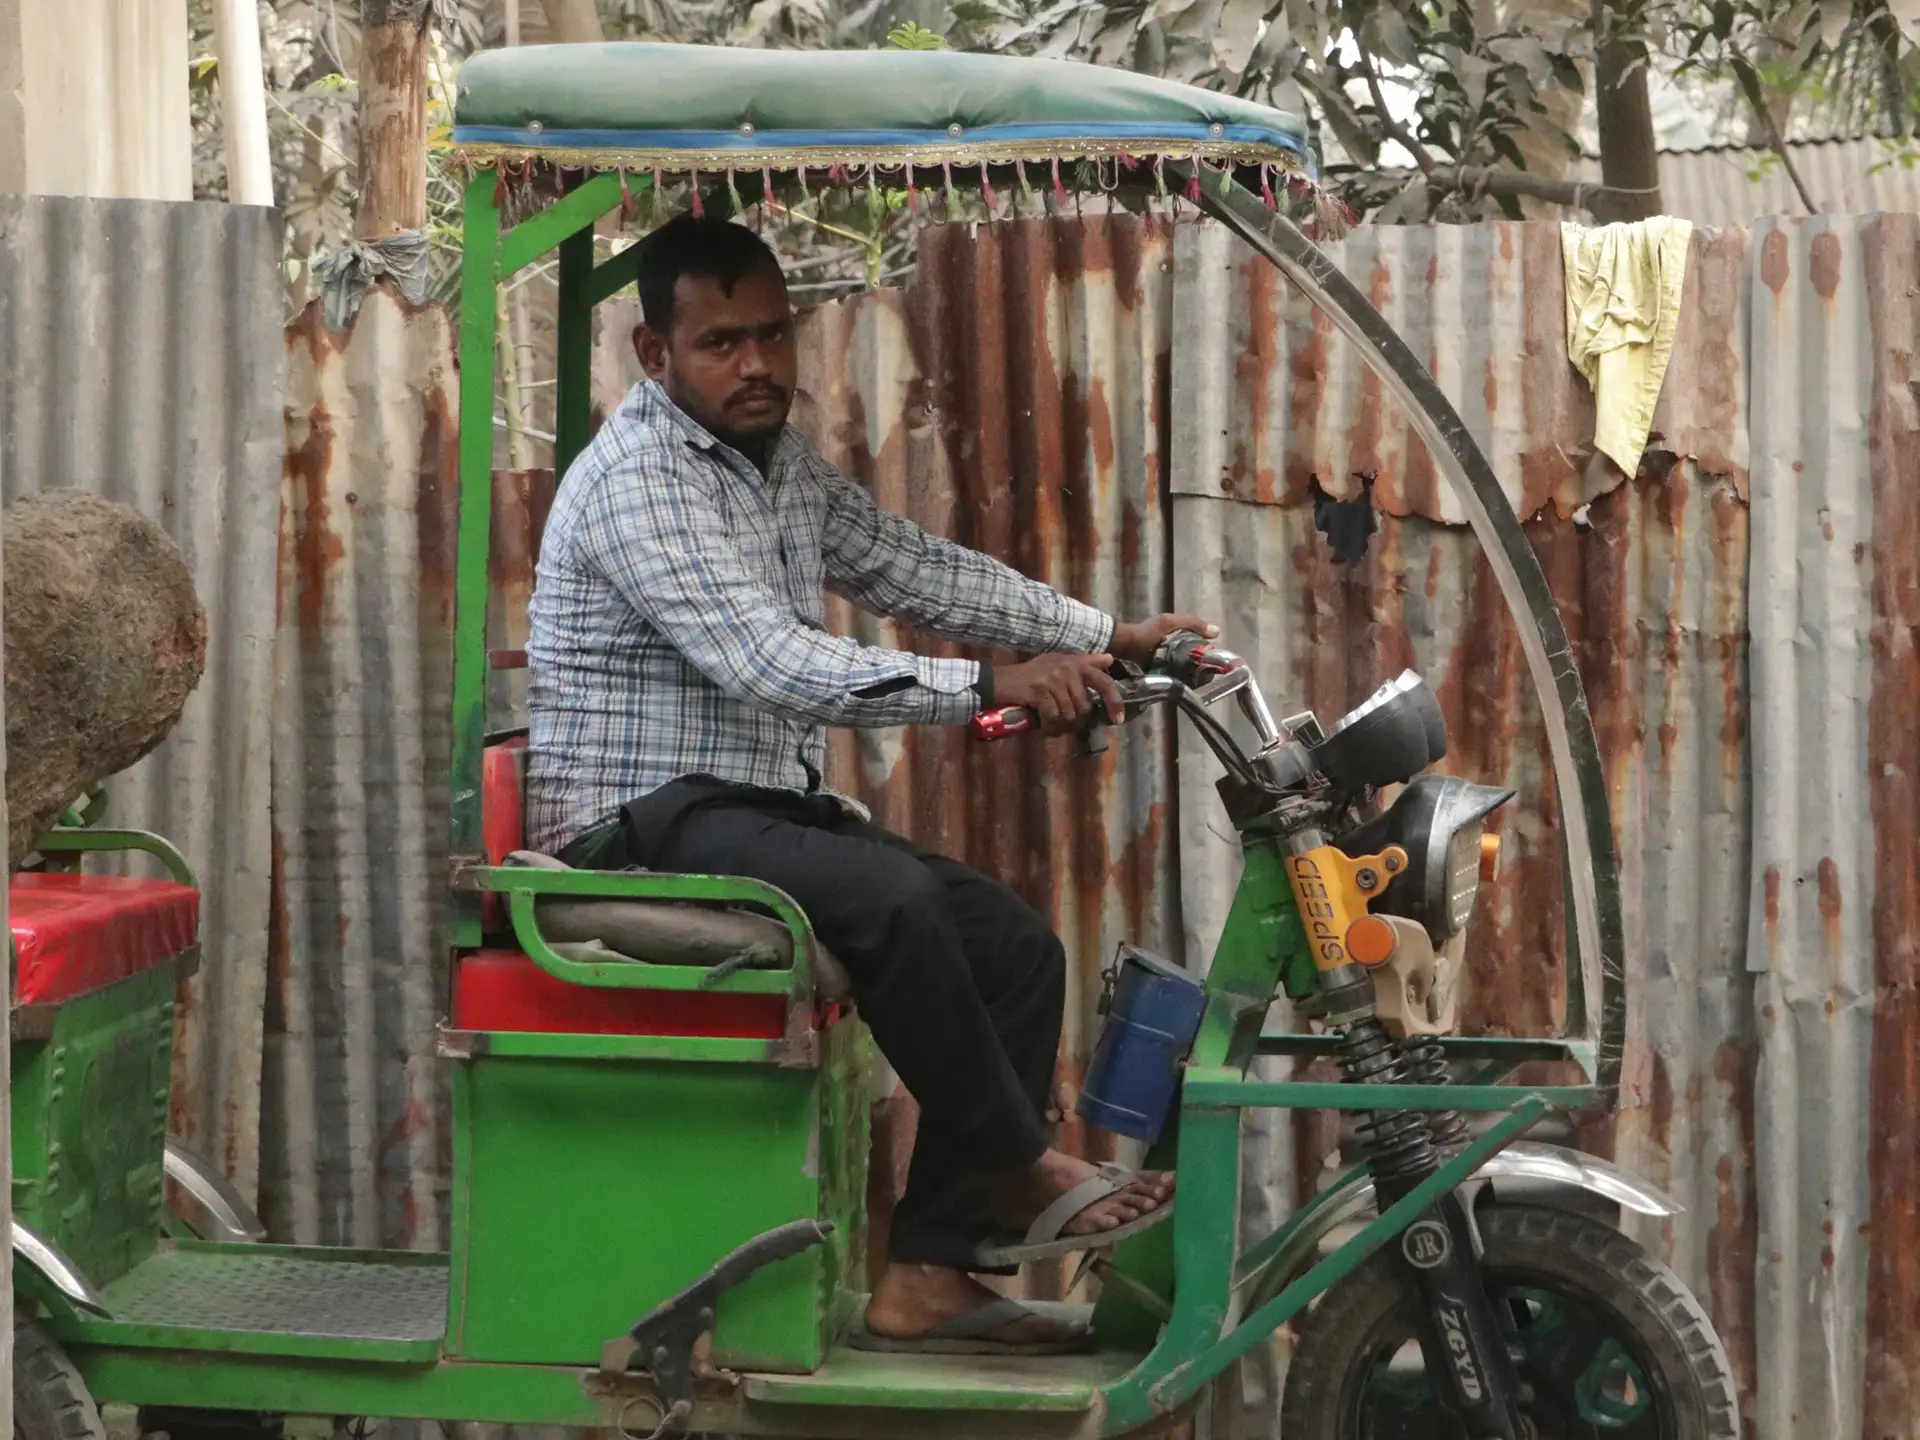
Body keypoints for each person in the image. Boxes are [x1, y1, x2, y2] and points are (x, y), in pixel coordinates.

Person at [524, 213, 1211, 1354]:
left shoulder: (772, 461)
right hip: (634, 824)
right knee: (893, 906)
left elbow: (909, 565)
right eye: (721, 344)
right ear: (655, 355)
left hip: (743, 805)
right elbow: (772, 662)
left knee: (1008, 942)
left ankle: (930, 1277)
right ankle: (1017, 1163)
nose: (757, 366)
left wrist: (1110, 634)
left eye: (772, 336)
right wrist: (992, 684)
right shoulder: (640, 479)